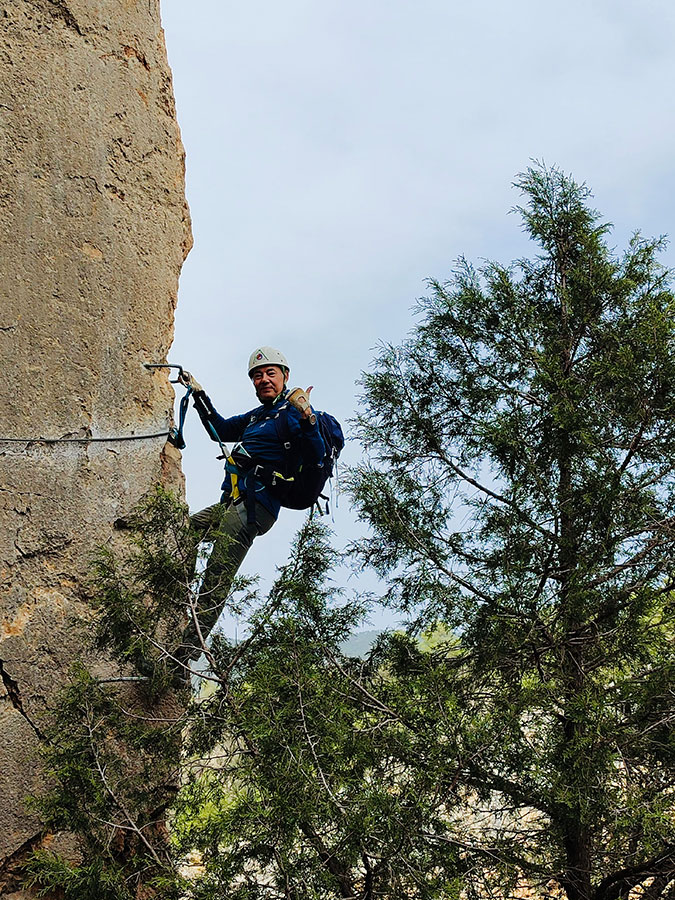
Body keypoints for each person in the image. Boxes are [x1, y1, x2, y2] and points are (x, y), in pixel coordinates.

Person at [177, 346, 326, 660]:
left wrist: (308, 417)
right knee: (184, 531)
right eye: (257, 375)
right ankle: (178, 597)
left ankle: (188, 650)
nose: (263, 379)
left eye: (270, 373)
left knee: (217, 573)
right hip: (233, 501)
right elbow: (219, 428)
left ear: (285, 377)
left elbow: (317, 454)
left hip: (256, 506)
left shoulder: (291, 414)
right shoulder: (258, 416)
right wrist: (198, 392)